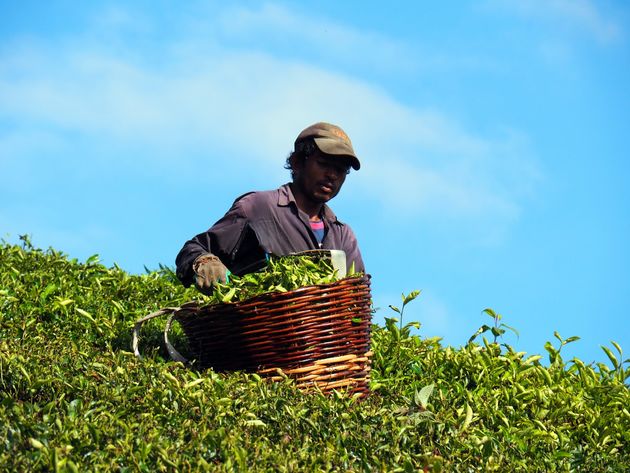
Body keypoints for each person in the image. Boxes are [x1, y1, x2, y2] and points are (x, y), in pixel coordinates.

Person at [175, 122, 365, 294]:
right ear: (297, 162)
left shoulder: (343, 236)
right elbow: (193, 248)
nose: (332, 175)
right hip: (260, 328)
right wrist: (205, 261)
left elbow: (358, 300)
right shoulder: (258, 208)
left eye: (340, 170)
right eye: (323, 164)